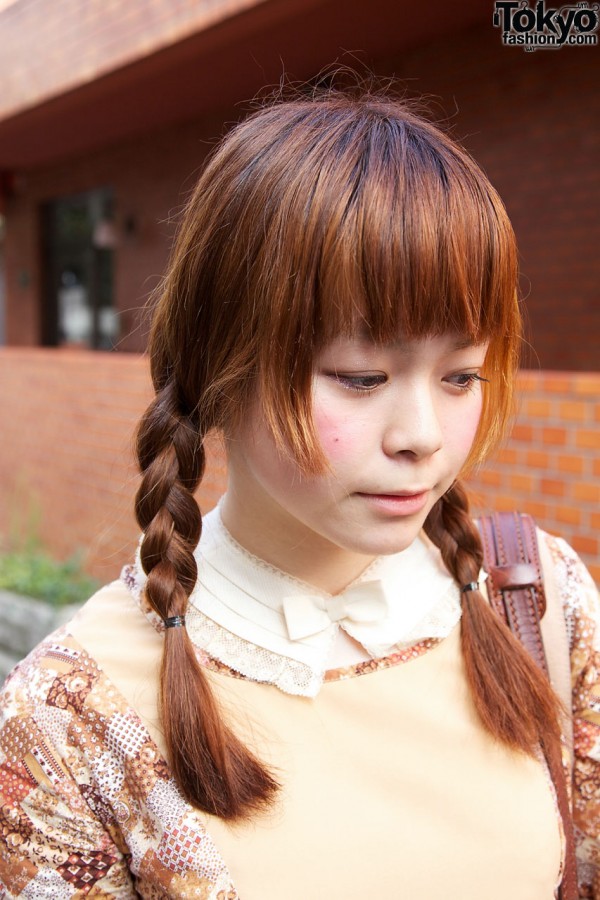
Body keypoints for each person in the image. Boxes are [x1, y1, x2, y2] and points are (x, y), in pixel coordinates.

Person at [0, 86, 598, 899]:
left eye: (462, 376)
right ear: (220, 364)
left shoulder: (541, 602)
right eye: (361, 377)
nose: (421, 434)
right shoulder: (68, 721)